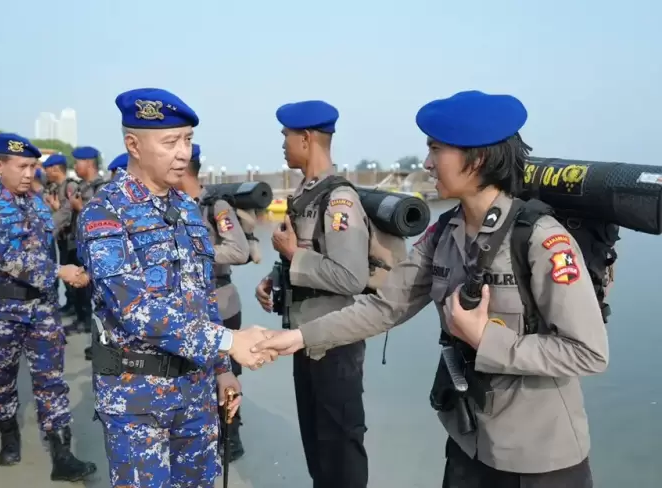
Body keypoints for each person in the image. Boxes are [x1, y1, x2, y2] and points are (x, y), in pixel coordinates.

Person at [253, 90, 608, 488]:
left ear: (478, 159)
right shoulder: (442, 234)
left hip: (540, 461)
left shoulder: (541, 241)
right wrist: (298, 337)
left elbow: (589, 352)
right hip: (467, 442)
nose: (425, 163)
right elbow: (384, 308)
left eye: (436, 149)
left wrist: (485, 339)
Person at [77, 87, 276, 488]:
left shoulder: (186, 209)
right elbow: (134, 309)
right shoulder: (105, 212)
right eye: (170, 142)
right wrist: (227, 343)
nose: (183, 153)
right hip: (137, 399)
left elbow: (201, 298)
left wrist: (222, 371)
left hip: (196, 391)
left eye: (187, 140)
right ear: (133, 145)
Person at [0, 132, 96, 482]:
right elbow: (10, 259)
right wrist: (61, 272)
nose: (28, 173)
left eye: (32, 166)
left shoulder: (37, 202)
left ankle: (62, 455)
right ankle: (9, 436)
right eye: (21, 166)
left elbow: (47, 244)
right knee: (0, 383)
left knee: (52, 382)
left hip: (41, 310)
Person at [255, 100, 372, 488]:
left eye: (286, 136)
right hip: (305, 338)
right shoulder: (308, 193)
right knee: (317, 448)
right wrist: (277, 276)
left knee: (340, 447)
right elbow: (308, 260)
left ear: (306, 139)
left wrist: (293, 255)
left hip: (335, 342)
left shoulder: (339, 200)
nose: (283, 145)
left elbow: (351, 277)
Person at [173, 142, 251, 461]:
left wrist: (192, 256)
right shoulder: (172, 205)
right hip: (188, 305)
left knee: (227, 370)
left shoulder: (214, 206)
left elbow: (239, 250)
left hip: (220, 301)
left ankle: (232, 434)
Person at [66, 145, 104, 334]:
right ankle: (81, 318)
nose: (75, 166)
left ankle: (90, 324)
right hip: (78, 243)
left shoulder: (101, 188)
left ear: (88, 163)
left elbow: (101, 220)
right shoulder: (82, 186)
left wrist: (80, 207)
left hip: (93, 247)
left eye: (77, 162)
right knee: (78, 288)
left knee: (91, 290)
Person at [43, 153, 79, 315]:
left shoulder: (70, 186)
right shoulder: (55, 188)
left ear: (56, 169)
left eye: (47, 169)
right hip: (62, 238)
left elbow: (67, 213)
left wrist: (47, 228)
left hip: (73, 239)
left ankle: (80, 313)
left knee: (75, 273)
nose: (46, 173)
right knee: (65, 269)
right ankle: (71, 304)